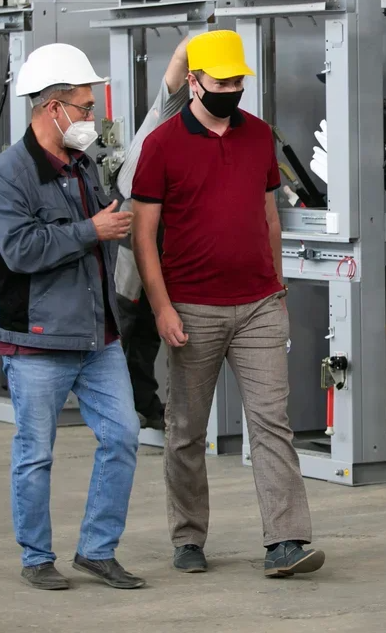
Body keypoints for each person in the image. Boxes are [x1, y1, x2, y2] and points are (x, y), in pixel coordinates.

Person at [131, 30, 325, 579]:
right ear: (193, 82)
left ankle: (286, 540)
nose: (233, 89)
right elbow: (145, 235)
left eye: (239, 80)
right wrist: (162, 307)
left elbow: (268, 216)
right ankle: (188, 537)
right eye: (223, 81)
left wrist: (277, 285)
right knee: (187, 428)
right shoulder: (162, 144)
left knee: (272, 422)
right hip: (191, 306)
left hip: (260, 304)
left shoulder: (258, 135)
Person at [0, 43, 144, 591]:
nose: (92, 117)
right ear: (53, 109)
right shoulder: (8, 174)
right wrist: (91, 231)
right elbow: (21, 250)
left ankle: (97, 549)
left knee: (122, 436)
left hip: (97, 335)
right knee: (35, 454)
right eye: (86, 107)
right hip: (37, 340)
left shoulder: (83, 165)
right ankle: (36, 557)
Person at [112, 37, 192, 431]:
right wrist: (198, 41)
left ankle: (144, 401)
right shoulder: (167, 115)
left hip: (170, 234)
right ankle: (123, 406)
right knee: (129, 318)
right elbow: (177, 67)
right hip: (133, 222)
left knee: (150, 326)